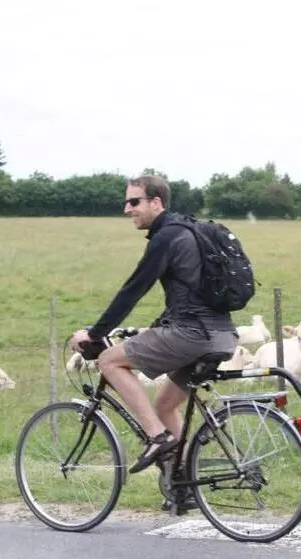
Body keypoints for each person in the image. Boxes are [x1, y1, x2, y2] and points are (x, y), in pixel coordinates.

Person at [69, 175, 238, 477]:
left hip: (192, 335)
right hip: (222, 335)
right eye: (126, 202)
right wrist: (154, 328)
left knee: (109, 361)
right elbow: (186, 296)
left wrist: (94, 334)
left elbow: (133, 290)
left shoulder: (167, 237)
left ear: (156, 202)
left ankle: (156, 437)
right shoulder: (190, 231)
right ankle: (184, 481)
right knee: (164, 405)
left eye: (134, 201)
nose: (127, 209)